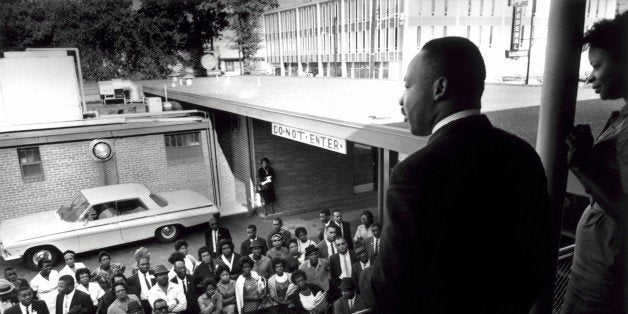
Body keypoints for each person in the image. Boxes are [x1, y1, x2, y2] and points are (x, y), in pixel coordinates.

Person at [359, 37, 552, 312]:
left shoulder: (415, 173)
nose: (401, 99)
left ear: (440, 88)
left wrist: (365, 272)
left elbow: (387, 289)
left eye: (407, 85)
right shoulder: (522, 154)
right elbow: (538, 261)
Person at [562, 13, 628, 314]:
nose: (590, 78)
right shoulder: (622, 116)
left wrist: (582, 167)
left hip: (605, 275)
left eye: (597, 66)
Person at [328, 237, 356, 302]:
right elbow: (333, 276)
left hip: (355, 284)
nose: (341, 246)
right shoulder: (333, 258)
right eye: (338, 245)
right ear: (336, 247)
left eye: (343, 243)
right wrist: (340, 286)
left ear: (347, 244)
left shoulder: (354, 254)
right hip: (342, 287)